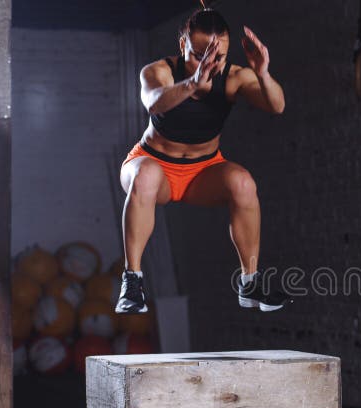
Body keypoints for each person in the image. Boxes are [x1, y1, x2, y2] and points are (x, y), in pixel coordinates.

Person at [115, 5, 292, 314]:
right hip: (151, 165)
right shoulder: (158, 71)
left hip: (202, 172)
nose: (209, 63)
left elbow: (276, 106)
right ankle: (133, 282)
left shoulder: (234, 77)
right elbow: (154, 104)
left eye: (218, 56)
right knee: (146, 176)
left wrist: (262, 73)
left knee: (243, 182)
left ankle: (250, 283)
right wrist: (193, 83)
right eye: (199, 54)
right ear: (183, 44)